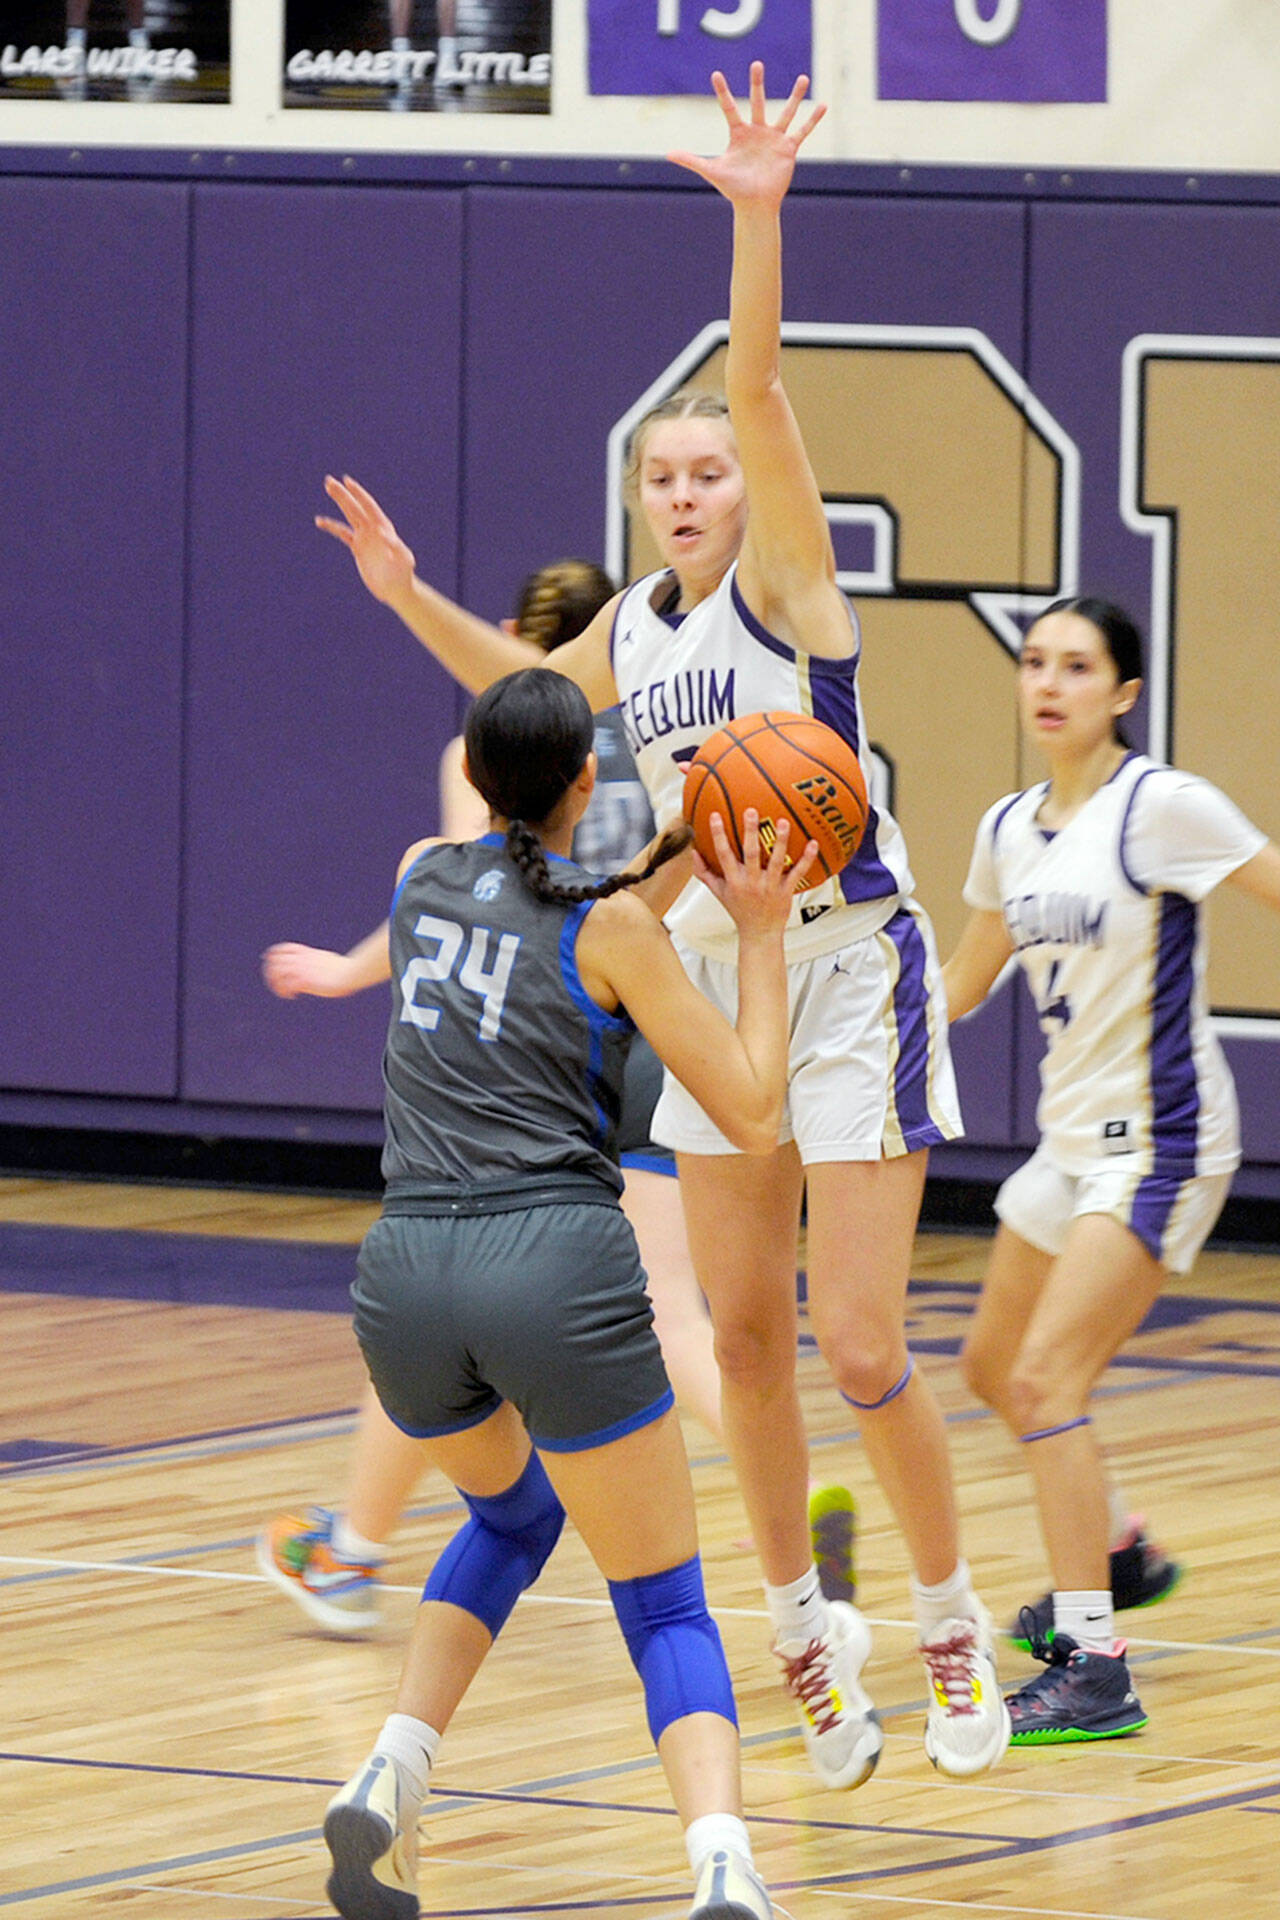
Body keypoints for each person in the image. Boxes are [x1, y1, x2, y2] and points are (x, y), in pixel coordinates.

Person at [313, 63, 1007, 1786]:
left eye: (713, 469)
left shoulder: (790, 592)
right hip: (717, 963)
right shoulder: (637, 624)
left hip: (851, 963)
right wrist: (409, 600)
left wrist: (757, 225)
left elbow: (759, 381)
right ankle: (797, 1635)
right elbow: (527, 696)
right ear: (642, 500)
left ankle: (948, 1615)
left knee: (856, 1342)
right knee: (749, 1343)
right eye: (670, 475)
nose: (696, 487)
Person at [321, 664, 816, 1920]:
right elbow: (753, 1110)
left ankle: (388, 1778)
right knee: (661, 1601)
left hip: (404, 1279)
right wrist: (754, 927)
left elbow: (553, 899)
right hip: (551, 1267)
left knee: (510, 1522)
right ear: (585, 783)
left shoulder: (417, 877)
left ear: (477, 778)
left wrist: (675, 853)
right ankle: (722, 1866)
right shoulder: (617, 937)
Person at [257, 561, 750, 1635]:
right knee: (670, 1309)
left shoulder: (477, 754)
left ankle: (351, 1549)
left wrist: (346, 973)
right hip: (650, 1012)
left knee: (441, 1311)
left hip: (531, 1042)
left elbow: (477, 897)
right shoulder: (665, 740)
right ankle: (780, 1483)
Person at [943, 595, 1280, 1744]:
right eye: (1034, 661)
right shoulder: (1005, 825)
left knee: (1045, 1383)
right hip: (1066, 1140)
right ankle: (1119, 1552)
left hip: (1161, 1138)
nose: (1048, 682)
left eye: (1076, 667)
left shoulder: (1161, 805)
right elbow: (960, 983)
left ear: (1121, 693)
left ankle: (1092, 1666)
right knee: (991, 1366)